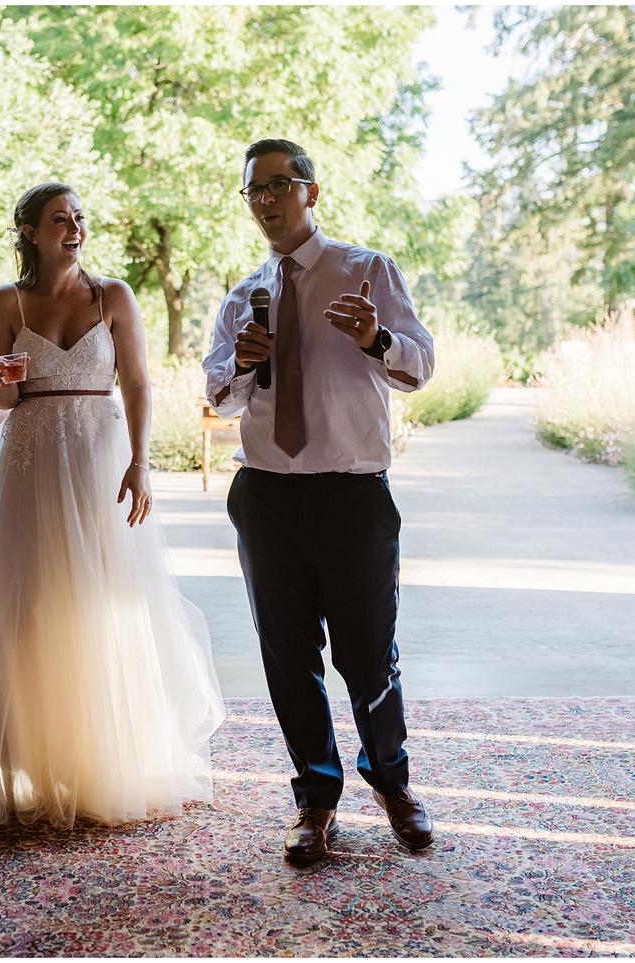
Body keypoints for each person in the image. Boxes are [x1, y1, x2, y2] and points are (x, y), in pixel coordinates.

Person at [0, 182, 225, 828]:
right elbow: (2, 400)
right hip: (28, 459)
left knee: (104, 601)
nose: (75, 226)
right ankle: (36, 758)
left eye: (80, 217)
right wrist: (3, 381)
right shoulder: (6, 302)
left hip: (98, 457)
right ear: (31, 231)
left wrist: (140, 462)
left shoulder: (113, 296)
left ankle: (106, 758)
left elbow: (138, 382)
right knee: (30, 606)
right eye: (61, 218)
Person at [202, 139, 436, 865]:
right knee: (287, 657)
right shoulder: (243, 296)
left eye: (278, 185)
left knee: (368, 654)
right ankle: (315, 796)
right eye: (253, 191)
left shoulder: (367, 270)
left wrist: (377, 337)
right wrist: (241, 361)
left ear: (311, 191)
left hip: (352, 495)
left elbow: (420, 363)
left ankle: (392, 782)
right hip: (266, 495)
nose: (266, 201)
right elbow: (214, 396)